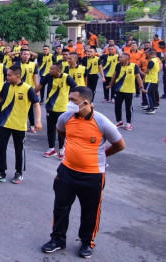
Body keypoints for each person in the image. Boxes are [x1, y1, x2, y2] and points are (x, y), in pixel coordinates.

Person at [41, 86, 126, 259]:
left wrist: (102, 155)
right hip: (67, 172)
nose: (69, 103)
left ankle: (87, 242)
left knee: (90, 211)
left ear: (86, 103)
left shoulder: (101, 122)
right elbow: (61, 132)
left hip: (93, 175)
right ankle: (57, 239)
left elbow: (120, 144)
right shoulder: (66, 118)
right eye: (69, 99)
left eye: (73, 100)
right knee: (60, 207)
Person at [0, 66, 42, 184]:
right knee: (1, 148)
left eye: (9, 75)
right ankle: (1, 173)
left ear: (17, 76)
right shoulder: (6, 86)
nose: (7, 77)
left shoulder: (28, 89)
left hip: (19, 125)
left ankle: (18, 173)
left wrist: (38, 120)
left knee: (18, 149)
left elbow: (36, 104)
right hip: (5, 123)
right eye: (7, 75)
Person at [35, 63, 77, 159]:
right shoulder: (48, 76)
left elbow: (76, 88)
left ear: (58, 70)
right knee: (50, 128)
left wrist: (74, 100)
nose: (50, 70)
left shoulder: (67, 77)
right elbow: (39, 86)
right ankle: (51, 149)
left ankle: (62, 149)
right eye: (50, 68)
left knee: (61, 129)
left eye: (52, 69)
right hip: (50, 107)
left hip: (63, 108)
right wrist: (31, 95)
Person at [107, 53, 145, 130]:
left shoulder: (134, 66)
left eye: (121, 57)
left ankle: (128, 123)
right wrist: (110, 85)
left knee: (128, 107)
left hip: (129, 90)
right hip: (118, 90)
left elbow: (138, 77)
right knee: (117, 106)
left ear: (127, 58)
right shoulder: (118, 66)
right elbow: (114, 76)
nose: (119, 58)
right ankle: (119, 121)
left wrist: (141, 87)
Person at [142, 49, 161, 114]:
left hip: (150, 79)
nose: (146, 54)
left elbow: (147, 71)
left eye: (147, 53)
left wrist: (144, 73)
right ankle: (152, 105)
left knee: (147, 93)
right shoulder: (157, 60)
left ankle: (151, 108)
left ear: (150, 54)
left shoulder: (151, 61)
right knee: (152, 94)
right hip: (154, 79)